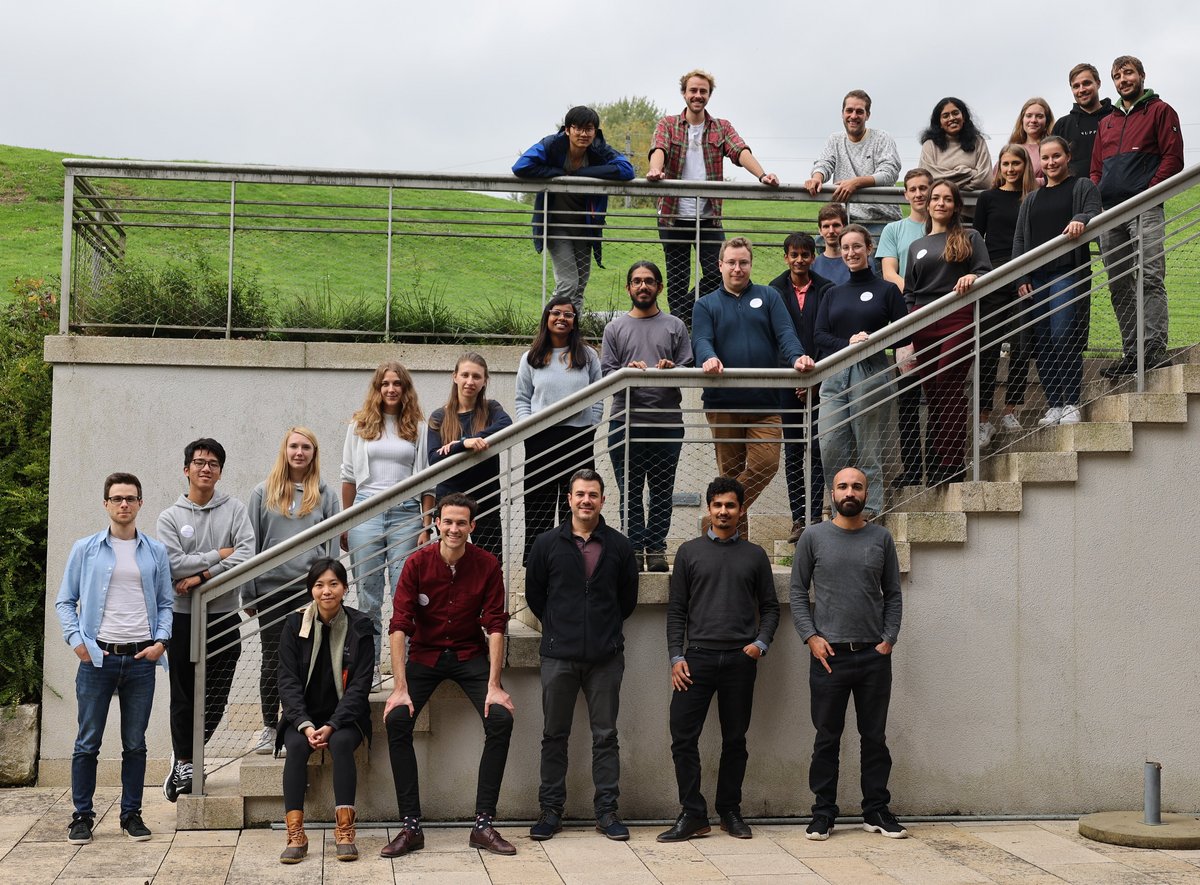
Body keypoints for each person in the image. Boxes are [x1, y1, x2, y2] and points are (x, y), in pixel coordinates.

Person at [381, 493, 516, 858]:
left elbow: (496, 625)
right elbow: (398, 627)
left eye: (461, 522)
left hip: (468, 654)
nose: (454, 528)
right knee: (396, 720)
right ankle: (411, 826)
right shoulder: (417, 563)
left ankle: (483, 824)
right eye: (448, 521)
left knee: (500, 718)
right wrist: (400, 688)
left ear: (472, 526)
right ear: (436, 523)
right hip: (424, 656)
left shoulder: (487, 564)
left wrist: (493, 685)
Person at [658, 477, 780, 843]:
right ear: (708, 509)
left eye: (730, 505)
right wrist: (676, 656)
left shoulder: (755, 555)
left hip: (740, 661)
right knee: (682, 737)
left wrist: (759, 644)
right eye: (717, 505)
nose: (723, 511)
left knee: (735, 740)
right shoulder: (688, 552)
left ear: (741, 510)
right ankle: (693, 814)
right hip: (696, 661)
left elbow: (771, 608)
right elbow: (676, 610)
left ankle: (730, 811)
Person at [56, 472, 172, 845]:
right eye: (117, 498)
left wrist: (161, 643)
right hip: (97, 659)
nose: (124, 504)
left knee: (135, 743)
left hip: (141, 659)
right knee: (87, 741)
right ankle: (81, 817)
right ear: (105, 504)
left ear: (140, 503)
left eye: (131, 498)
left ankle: (131, 814)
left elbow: (167, 603)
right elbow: (64, 601)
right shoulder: (85, 548)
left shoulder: (155, 551)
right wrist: (78, 642)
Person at [791, 467, 905, 841]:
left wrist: (888, 639)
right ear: (833, 493)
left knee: (874, 738)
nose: (849, 491)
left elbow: (893, 594)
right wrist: (810, 637)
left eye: (857, 486)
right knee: (826, 738)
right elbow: (797, 594)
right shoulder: (813, 537)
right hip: (828, 657)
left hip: (873, 656)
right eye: (842, 486)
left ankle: (876, 811)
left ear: (866, 492)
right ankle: (823, 813)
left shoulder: (881, 538)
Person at [525, 469, 639, 841]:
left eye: (593, 494)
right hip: (559, 656)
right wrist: (561, 628)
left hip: (605, 658)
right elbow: (536, 597)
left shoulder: (620, 547)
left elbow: (627, 601)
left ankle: (607, 812)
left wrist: (601, 632)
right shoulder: (545, 544)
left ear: (603, 500)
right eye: (579, 494)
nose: (586, 500)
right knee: (553, 735)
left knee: (605, 736)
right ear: (569, 499)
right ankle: (551, 811)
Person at [692, 237, 815, 534]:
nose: (737, 268)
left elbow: (785, 333)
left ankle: (714, 519)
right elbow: (701, 340)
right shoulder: (705, 304)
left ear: (751, 264)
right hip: (723, 404)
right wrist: (709, 358)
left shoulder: (769, 296)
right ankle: (733, 545)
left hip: (765, 404)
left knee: (767, 463)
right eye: (731, 263)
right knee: (731, 473)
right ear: (720, 265)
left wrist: (797, 357)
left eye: (743, 262)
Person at [158, 438, 255, 803]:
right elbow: (171, 565)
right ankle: (185, 760)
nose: (205, 468)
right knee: (183, 693)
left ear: (220, 471)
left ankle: (188, 753)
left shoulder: (235, 510)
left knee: (216, 693)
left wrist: (201, 576)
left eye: (213, 463)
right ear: (186, 469)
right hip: (182, 618)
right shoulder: (170, 517)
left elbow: (247, 554)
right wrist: (219, 554)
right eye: (199, 462)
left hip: (222, 614)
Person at [646, 68, 780, 328]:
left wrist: (762, 175)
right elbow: (659, 148)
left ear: (709, 95)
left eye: (703, 91)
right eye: (693, 90)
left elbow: (739, 151)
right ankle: (678, 330)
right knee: (677, 276)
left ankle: (688, 315)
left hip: (708, 217)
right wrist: (656, 169)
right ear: (684, 93)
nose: (698, 96)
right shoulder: (668, 124)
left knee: (719, 271)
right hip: (673, 216)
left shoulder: (720, 127)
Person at [245, 427, 340, 756]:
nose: (299, 452)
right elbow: (251, 546)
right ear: (284, 451)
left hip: (309, 593)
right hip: (271, 591)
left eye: (306, 447)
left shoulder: (325, 493)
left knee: (304, 662)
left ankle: (294, 727)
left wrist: (330, 590)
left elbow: (331, 548)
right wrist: (249, 594)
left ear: (314, 453)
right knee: (272, 661)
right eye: (294, 446)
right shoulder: (262, 492)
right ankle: (270, 727)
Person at [1091, 54, 1184, 378]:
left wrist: (1148, 192)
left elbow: (1173, 159)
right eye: (1117, 76)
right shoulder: (1107, 122)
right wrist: (1098, 198)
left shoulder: (1160, 111)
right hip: (1110, 216)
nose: (1122, 80)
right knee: (1119, 286)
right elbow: (1095, 170)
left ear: (1141, 75)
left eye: (1128, 73)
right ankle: (1132, 354)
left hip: (1144, 210)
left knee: (1150, 278)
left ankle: (1154, 351)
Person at [340, 361, 435, 676]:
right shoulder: (359, 426)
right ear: (377, 389)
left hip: (406, 514)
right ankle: (370, 671)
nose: (391, 389)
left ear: (405, 389)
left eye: (397, 384)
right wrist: (347, 519)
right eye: (385, 384)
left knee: (402, 594)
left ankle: (403, 667)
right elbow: (349, 477)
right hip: (366, 511)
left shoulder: (418, 427)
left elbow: (426, 481)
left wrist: (426, 523)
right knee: (367, 596)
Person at [276, 559, 374, 864]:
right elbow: (287, 681)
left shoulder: (360, 627)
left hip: (345, 717)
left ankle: (345, 832)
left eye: (333, 584)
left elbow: (361, 686)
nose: (326, 591)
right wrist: (305, 725)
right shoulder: (294, 625)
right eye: (319, 585)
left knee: (341, 743)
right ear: (311, 590)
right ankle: (296, 835)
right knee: (295, 746)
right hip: (303, 716)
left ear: (345, 588)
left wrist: (332, 725)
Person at [601, 261, 694, 571]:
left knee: (662, 491)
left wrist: (672, 370)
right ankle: (632, 549)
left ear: (659, 287)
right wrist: (627, 373)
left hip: (666, 424)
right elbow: (606, 375)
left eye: (649, 281)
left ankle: (655, 548)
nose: (643, 286)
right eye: (637, 282)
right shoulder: (614, 328)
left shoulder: (675, 325)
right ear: (629, 287)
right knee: (629, 492)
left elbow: (688, 370)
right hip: (625, 423)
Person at [814, 225, 908, 518]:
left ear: (869, 249)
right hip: (834, 372)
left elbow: (903, 335)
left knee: (869, 448)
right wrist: (848, 343)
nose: (851, 253)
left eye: (857, 246)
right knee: (829, 446)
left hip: (871, 370)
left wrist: (872, 339)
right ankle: (838, 511)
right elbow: (819, 335)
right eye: (845, 248)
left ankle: (871, 512)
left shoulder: (887, 290)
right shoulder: (833, 293)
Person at [904, 180, 992, 485]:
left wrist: (972, 275)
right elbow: (910, 293)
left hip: (957, 316)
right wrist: (906, 334)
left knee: (948, 385)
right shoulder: (916, 246)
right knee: (932, 391)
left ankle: (952, 466)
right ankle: (940, 464)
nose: (940, 203)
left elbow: (985, 271)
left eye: (947, 199)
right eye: (935, 198)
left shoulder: (969, 236)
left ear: (955, 205)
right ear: (927, 204)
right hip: (922, 322)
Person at [1013, 136, 1103, 427]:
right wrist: (1021, 276)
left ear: (1067, 156)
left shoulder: (1082, 186)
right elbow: (1019, 239)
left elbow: (1094, 212)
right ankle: (1054, 404)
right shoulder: (1032, 198)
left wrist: (1081, 218)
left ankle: (1071, 402)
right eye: (1046, 158)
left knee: (1063, 334)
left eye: (1057, 156)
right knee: (1041, 341)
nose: (1051, 163)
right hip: (1036, 278)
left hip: (1067, 273)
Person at [512, 106, 636, 309]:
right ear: (567, 130)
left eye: (589, 129)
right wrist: (558, 172)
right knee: (567, 284)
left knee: (579, 287)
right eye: (577, 128)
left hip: (585, 228)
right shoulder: (552, 144)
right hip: (556, 225)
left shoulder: (599, 149)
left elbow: (627, 170)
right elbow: (521, 166)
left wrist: (583, 173)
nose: (583, 134)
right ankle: (548, 336)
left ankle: (572, 337)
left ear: (595, 131)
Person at [516, 296, 603, 563]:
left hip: (577, 438)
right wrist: (528, 427)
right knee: (538, 504)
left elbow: (598, 396)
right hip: (540, 438)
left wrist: (591, 425)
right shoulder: (531, 357)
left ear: (575, 321)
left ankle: (575, 557)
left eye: (568, 314)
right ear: (547, 317)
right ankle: (537, 560)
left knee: (576, 503)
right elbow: (522, 399)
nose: (562, 318)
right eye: (556, 313)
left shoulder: (587, 356)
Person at [769, 233, 832, 542]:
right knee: (794, 451)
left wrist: (814, 377)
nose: (799, 260)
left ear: (813, 256)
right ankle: (798, 519)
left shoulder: (827, 289)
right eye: (794, 254)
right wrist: (794, 376)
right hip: (787, 382)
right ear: (786, 257)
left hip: (821, 381)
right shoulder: (773, 291)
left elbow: (827, 333)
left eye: (805, 254)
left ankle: (815, 514)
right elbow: (775, 337)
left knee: (819, 450)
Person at [972, 146, 1038, 447]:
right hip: (994, 275)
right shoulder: (988, 198)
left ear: (1025, 166)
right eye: (1006, 164)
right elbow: (976, 238)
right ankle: (984, 420)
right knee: (987, 348)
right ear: (1000, 167)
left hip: (1024, 274)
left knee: (1023, 344)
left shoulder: (1033, 197)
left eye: (1016, 164)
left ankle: (1011, 410)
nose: (1011, 169)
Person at [428, 353, 512, 563]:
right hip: (449, 501)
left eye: (476, 376)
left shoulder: (491, 409)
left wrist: (465, 441)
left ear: (485, 381)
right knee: (448, 563)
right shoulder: (439, 417)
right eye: (465, 375)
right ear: (454, 376)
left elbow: (506, 425)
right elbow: (434, 458)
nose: (470, 381)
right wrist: (463, 444)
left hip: (486, 499)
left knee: (491, 562)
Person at [878, 169, 933, 486]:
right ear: (905, 194)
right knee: (908, 397)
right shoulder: (894, 229)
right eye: (913, 189)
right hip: (906, 318)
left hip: (940, 317)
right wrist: (912, 293)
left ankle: (939, 468)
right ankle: (912, 470)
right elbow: (889, 271)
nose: (919, 194)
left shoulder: (943, 228)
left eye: (924, 188)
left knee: (940, 395)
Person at [804, 90, 902, 232]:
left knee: (869, 251)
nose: (853, 116)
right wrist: (817, 178)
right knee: (820, 244)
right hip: (846, 218)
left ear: (867, 115)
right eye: (849, 110)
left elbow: (889, 172)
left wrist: (856, 183)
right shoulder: (835, 139)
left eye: (859, 112)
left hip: (881, 219)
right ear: (842, 113)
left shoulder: (882, 138)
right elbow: (825, 163)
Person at [1052, 63, 1114, 179]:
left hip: (1114, 192)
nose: (1081, 90)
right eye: (1076, 86)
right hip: (1073, 194)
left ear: (1098, 83)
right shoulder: (1062, 125)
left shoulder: (1116, 117)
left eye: (1086, 83)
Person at [918, 98, 993, 195]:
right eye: (945, 116)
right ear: (939, 122)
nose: (952, 118)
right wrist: (969, 173)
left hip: (972, 208)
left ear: (964, 116)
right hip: (940, 206)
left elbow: (985, 180)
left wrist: (947, 185)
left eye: (955, 113)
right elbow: (928, 179)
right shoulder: (930, 145)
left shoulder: (978, 142)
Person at [1006, 98, 1055, 184]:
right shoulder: (1011, 149)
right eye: (1029, 116)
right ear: (1022, 120)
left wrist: (1031, 182)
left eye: (1039, 116)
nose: (1033, 120)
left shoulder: (1055, 148)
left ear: (1047, 121)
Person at [812, 203, 851, 285]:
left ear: (845, 227)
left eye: (836, 225)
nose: (831, 231)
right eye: (826, 226)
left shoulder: (856, 261)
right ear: (820, 231)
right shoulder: (813, 265)